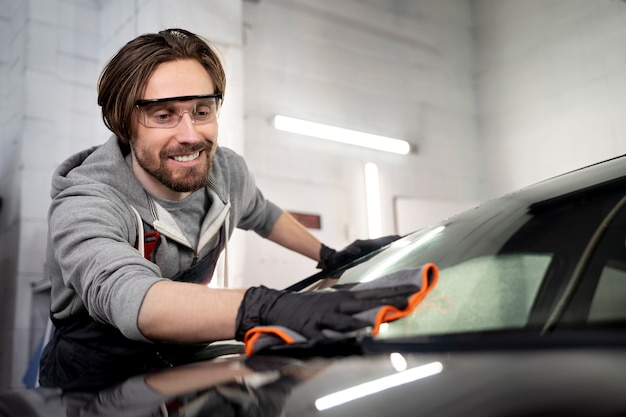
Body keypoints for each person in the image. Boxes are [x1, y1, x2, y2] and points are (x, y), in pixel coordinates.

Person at [38, 28, 407, 390]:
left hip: (180, 370)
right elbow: (132, 297)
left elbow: (262, 213)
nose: (190, 135)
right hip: (90, 385)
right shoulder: (86, 202)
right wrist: (261, 309)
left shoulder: (226, 172)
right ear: (124, 124)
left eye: (201, 111)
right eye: (164, 115)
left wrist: (328, 255)